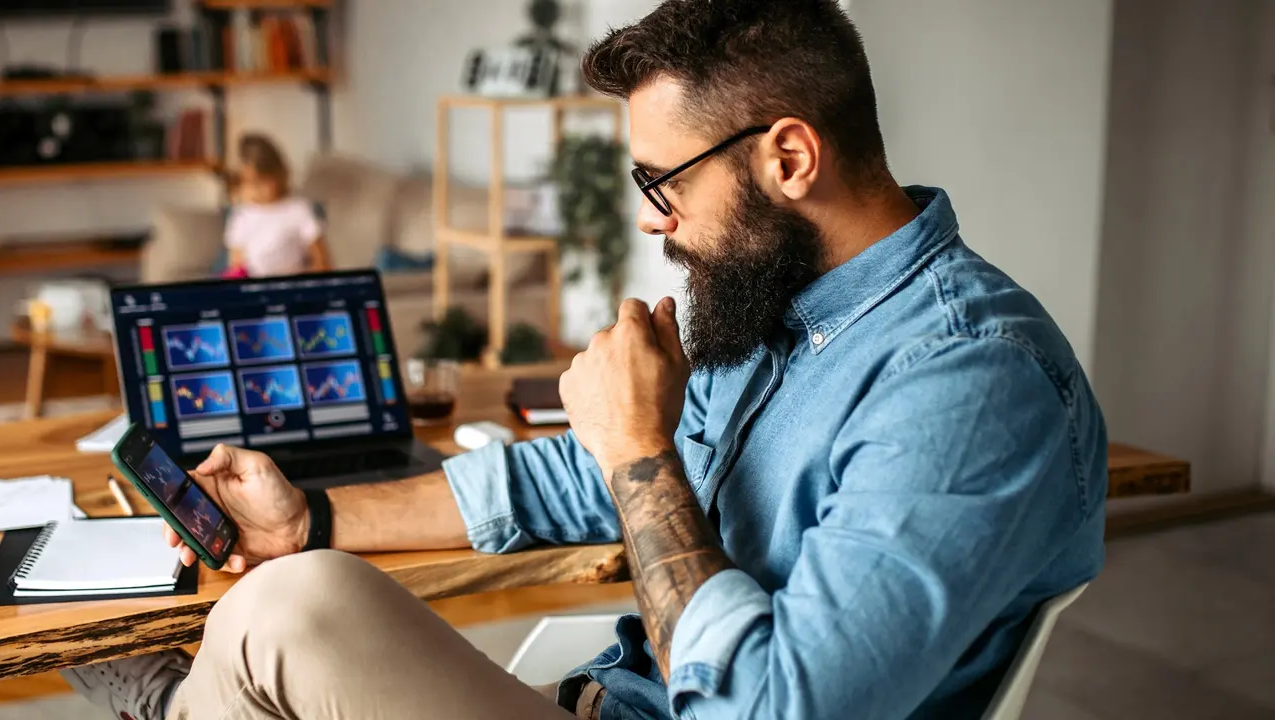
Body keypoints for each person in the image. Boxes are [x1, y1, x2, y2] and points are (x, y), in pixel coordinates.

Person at [62, 1, 1107, 718]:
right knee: (299, 581)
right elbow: (573, 472)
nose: (654, 223)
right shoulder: (777, 316)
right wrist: (313, 517)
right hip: (600, 697)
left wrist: (638, 447)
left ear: (787, 158)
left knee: (284, 613)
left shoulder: (968, 384)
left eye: (663, 183)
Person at [222, 134, 331, 278]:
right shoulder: (241, 216)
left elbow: (321, 261)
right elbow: (236, 263)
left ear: (278, 174)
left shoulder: (297, 209)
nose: (256, 190)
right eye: (247, 184)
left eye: (261, 182)